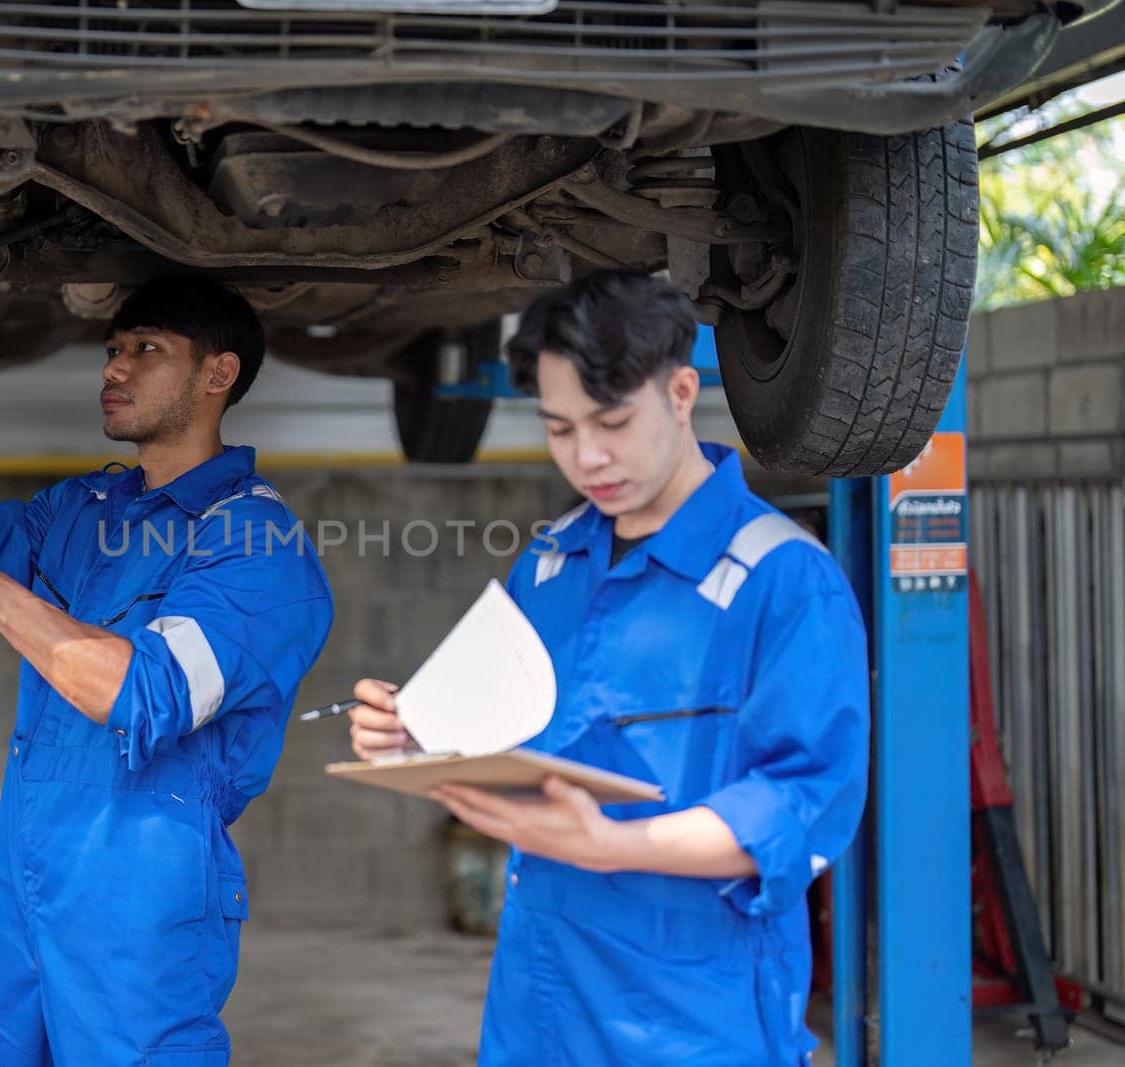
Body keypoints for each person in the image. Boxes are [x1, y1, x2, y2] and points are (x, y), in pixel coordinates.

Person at [348, 271, 869, 1066]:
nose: (587, 457)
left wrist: (616, 846)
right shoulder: (552, 565)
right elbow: (500, 736)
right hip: (540, 1002)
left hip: (694, 1018)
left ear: (683, 391)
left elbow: (805, 801)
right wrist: (411, 736)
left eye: (614, 421)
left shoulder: (785, 578)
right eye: (559, 428)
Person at [0, 277, 334, 1066]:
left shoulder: (257, 544)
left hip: (137, 899)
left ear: (219, 375)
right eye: (113, 350)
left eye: (146, 350)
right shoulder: (82, 508)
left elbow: (146, 692)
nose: (114, 369)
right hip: (28, 875)